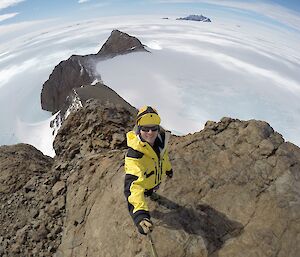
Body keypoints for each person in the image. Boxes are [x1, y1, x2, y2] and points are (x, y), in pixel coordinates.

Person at [124, 106, 173, 235]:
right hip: (144, 183)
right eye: (145, 128)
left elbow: (164, 158)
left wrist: (168, 169)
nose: (150, 132)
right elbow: (134, 186)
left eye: (154, 128)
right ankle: (147, 196)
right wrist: (140, 215)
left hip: (154, 181)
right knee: (143, 192)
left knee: (150, 191)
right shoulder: (134, 155)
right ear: (139, 129)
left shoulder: (161, 143)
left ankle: (150, 192)